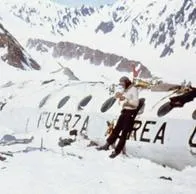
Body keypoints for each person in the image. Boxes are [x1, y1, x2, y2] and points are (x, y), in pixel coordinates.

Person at [97, 76, 139, 158]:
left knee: (124, 133)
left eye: (123, 84)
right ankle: (107, 145)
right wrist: (118, 96)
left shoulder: (134, 89)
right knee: (116, 129)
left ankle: (117, 151)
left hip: (130, 113)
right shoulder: (126, 90)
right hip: (124, 112)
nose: (122, 86)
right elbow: (122, 98)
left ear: (127, 82)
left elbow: (135, 104)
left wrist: (125, 100)